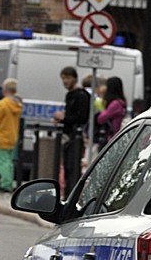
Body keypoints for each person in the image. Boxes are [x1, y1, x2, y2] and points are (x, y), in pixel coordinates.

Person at [52, 66, 90, 197]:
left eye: (67, 78)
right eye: (63, 78)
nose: (65, 81)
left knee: (73, 167)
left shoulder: (82, 95)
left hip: (76, 136)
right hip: (68, 135)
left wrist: (65, 118)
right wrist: (62, 120)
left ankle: (72, 195)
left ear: (75, 78)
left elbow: (82, 117)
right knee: (67, 167)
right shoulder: (70, 95)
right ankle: (67, 194)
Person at [0, 78, 22, 193]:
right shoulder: (17, 105)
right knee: (9, 162)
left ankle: (5, 185)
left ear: (5, 90)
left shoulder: (2, 105)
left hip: (1, 137)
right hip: (13, 136)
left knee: (2, 162)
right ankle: (9, 182)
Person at [95, 76, 127, 149]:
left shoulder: (115, 104)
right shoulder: (121, 102)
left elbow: (101, 119)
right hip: (116, 136)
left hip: (112, 137)